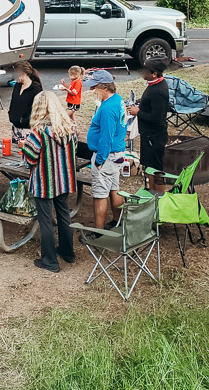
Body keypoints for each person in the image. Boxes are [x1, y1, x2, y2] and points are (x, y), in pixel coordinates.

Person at [22, 92, 77, 273]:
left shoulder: (38, 133)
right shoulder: (69, 129)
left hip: (44, 182)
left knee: (45, 221)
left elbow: (29, 160)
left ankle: (49, 261)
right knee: (63, 215)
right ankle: (68, 253)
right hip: (64, 179)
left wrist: (24, 147)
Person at [84, 70, 126, 230]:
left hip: (107, 156)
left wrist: (100, 160)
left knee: (100, 195)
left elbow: (106, 138)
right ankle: (117, 222)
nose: (92, 91)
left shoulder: (108, 108)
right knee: (114, 189)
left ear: (104, 87)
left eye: (94, 87)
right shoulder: (118, 100)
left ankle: (99, 232)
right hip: (117, 153)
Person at [127, 57, 169, 191]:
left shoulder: (158, 91)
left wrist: (138, 112)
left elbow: (157, 118)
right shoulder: (153, 85)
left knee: (157, 170)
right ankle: (152, 195)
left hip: (154, 137)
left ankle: (160, 198)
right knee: (150, 169)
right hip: (148, 135)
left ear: (154, 73)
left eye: (145, 70)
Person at [8, 60, 42, 142]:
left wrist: (24, 120)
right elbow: (13, 102)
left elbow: (38, 109)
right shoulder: (17, 86)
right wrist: (11, 115)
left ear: (23, 73)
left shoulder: (36, 89)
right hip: (15, 127)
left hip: (27, 129)